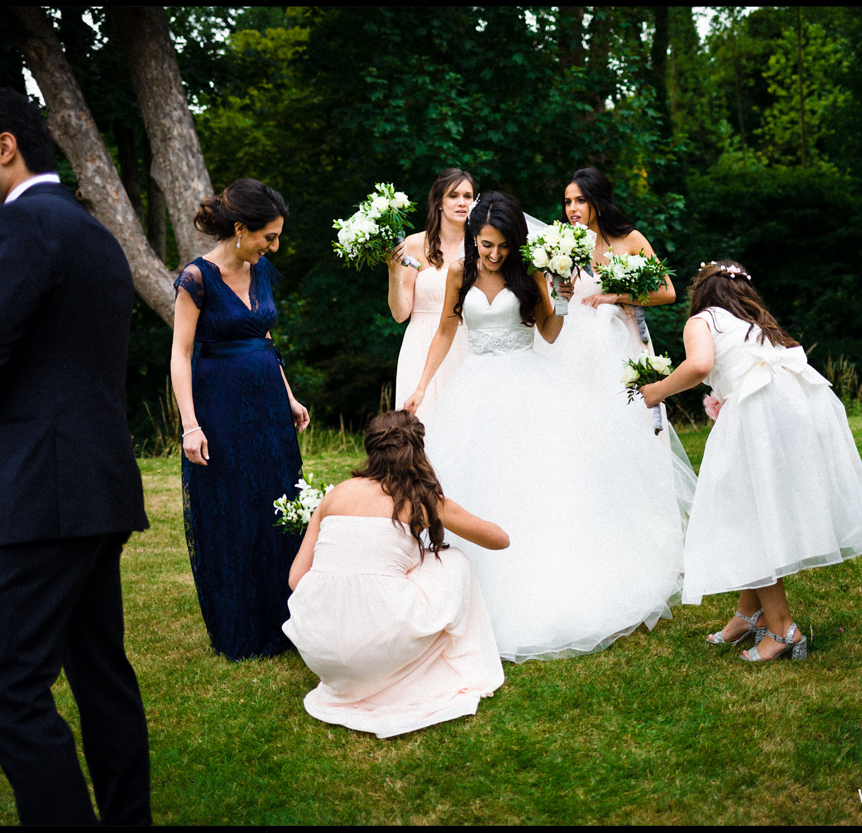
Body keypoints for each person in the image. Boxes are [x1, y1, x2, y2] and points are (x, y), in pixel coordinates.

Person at [0, 87, 151, 824]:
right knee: (102, 678)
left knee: (9, 690)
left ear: (5, 147)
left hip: (44, 490)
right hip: (98, 483)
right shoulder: (92, 233)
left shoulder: (22, 226)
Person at [403, 192, 688, 662]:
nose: (494, 255)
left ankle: (547, 584)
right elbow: (446, 331)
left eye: (502, 246)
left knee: (540, 484)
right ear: (474, 240)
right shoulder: (460, 272)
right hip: (474, 389)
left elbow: (549, 333)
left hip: (526, 384)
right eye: (485, 245)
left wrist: (560, 298)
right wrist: (421, 386)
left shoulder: (527, 272)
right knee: (477, 481)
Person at [639, 261, 862, 661]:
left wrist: (658, 391)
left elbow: (699, 366)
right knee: (759, 512)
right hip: (797, 411)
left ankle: (784, 629)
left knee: (747, 517)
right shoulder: (756, 322)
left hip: (758, 415)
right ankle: (749, 616)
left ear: (701, 294)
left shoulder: (702, 321)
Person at [282, 410, 507, 738]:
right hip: (379, 650)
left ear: (370, 449)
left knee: (397, 566)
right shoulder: (422, 498)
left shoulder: (337, 494)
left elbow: (295, 579)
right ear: (417, 451)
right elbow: (500, 540)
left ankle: (359, 658)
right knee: (453, 560)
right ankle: (439, 663)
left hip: (320, 653)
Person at [171, 178, 310, 661]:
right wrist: (191, 424)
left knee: (277, 500)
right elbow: (180, 354)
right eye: (267, 236)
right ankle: (241, 628)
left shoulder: (262, 269)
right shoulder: (197, 278)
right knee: (231, 507)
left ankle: (286, 620)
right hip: (219, 405)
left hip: (268, 402)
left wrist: (289, 396)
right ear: (239, 229)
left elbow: (266, 340)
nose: (274, 246)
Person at [550, 167, 678, 433]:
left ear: (598, 200)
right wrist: (561, 292)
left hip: (624, 340)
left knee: (628, 417)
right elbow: (557, 303)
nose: (572, 208)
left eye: (581, 200)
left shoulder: (629, 240)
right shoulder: (563, 244)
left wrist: (616, 296)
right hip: (578, 345)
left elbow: (667, 291)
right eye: (568, 201)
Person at [387, 168, 477, 428]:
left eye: (468, 196)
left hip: (466, 342)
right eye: (454, 196)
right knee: (420, 425)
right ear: (439, 202)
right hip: (421, 343)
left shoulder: (481, 247)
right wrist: (393, 272)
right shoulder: (414, 245)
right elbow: (400, 313)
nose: (462, 202)